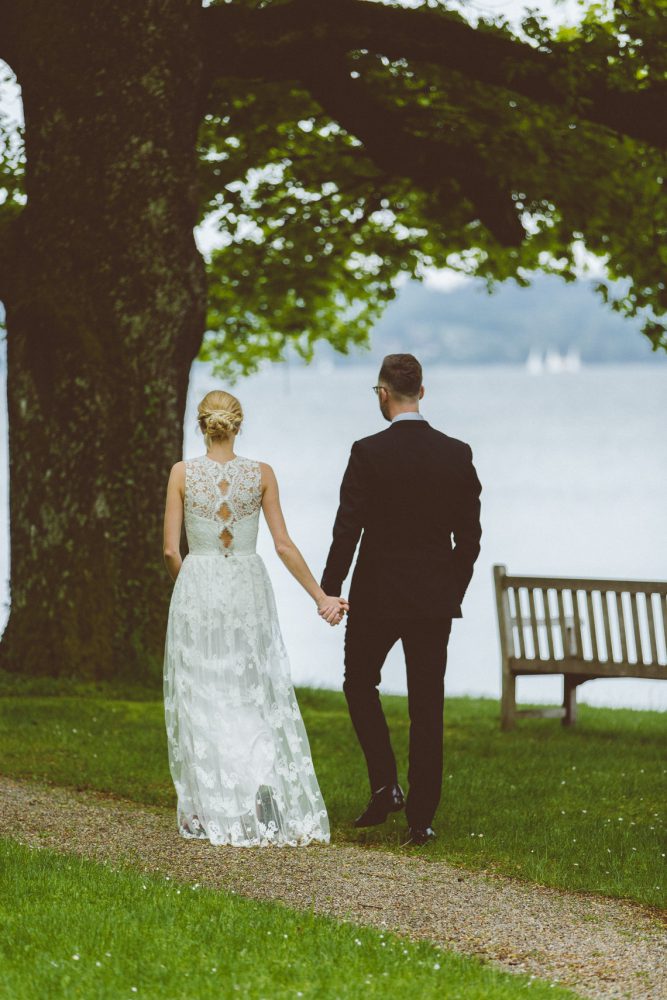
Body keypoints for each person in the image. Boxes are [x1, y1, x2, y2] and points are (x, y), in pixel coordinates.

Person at [162, 389, 347, 847]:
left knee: (205, 690)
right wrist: (320, 595)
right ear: (237, 425)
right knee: (250, 688)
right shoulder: (261, 474)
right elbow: (283, 545)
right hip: (248, 586)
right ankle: (259, 788)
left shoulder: (182, 473)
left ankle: (215, 802)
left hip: (199, 581)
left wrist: (188, 585)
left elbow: (170, 549)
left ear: (202, 425)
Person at [320, 354, 482, 847]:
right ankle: (421, 819)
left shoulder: (368, 452)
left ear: (383, 394)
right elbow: (470, 538)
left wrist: (331, 587)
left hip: (377, 596)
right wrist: (450, 590)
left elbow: (348, 527)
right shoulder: (456, 453)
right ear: (422, 393)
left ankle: (386, 784)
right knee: (426, 705)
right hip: (433, 600)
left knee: (359, 683)